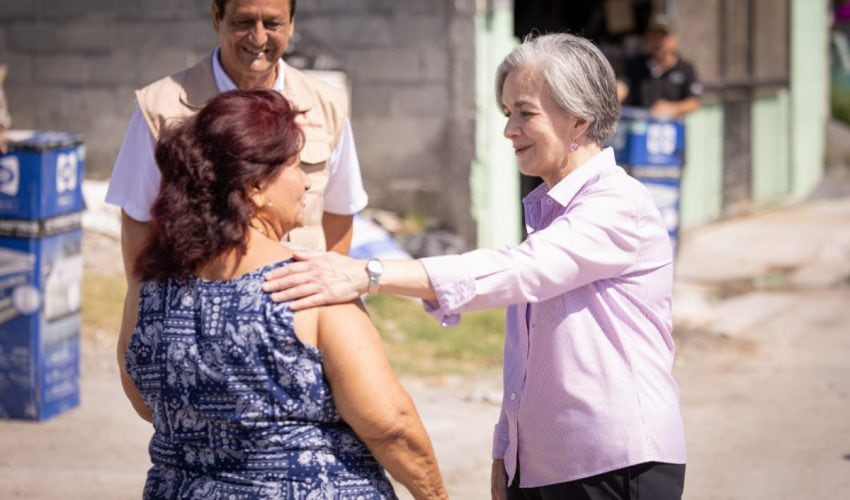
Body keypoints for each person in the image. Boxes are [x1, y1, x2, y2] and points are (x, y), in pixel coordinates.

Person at [263, 33, 687, 500]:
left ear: (579, 119)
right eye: (508, 114)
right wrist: (507, 453)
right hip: (545, 467)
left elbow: (522, 270)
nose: (509, 130)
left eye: (526, 113)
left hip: (614, 463)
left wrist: (368, 273)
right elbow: (528, 354)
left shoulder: (617, 204)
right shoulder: (552, 208)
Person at [121, 89, 446, 499]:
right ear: (255, 187)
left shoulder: (153, 284)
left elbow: (143, 395)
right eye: (294, 165)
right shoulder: (310, 285)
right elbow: (390, 425)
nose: (307, 181)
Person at [107, 0, 368, 422]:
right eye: (244, 22)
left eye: (273, 23)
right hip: (203, 331)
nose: (259, 38)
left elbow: (341, 212)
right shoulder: (163, 106)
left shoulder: (324, 105)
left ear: (293, 24)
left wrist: (333, 305)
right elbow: (139, 223)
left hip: (298, 321)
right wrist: (139, 325)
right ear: (216, 17)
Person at [618, 13, 702, 119]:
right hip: (641, 128)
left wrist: (673, 108)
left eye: (663, 37)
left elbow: (694, 101)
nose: (659, 42)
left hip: (672, 130)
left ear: (674, 39)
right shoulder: (636, 65)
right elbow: (624, 85)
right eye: (654, 36)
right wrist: (614, 95)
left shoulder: (685, 68)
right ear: (648, 39)